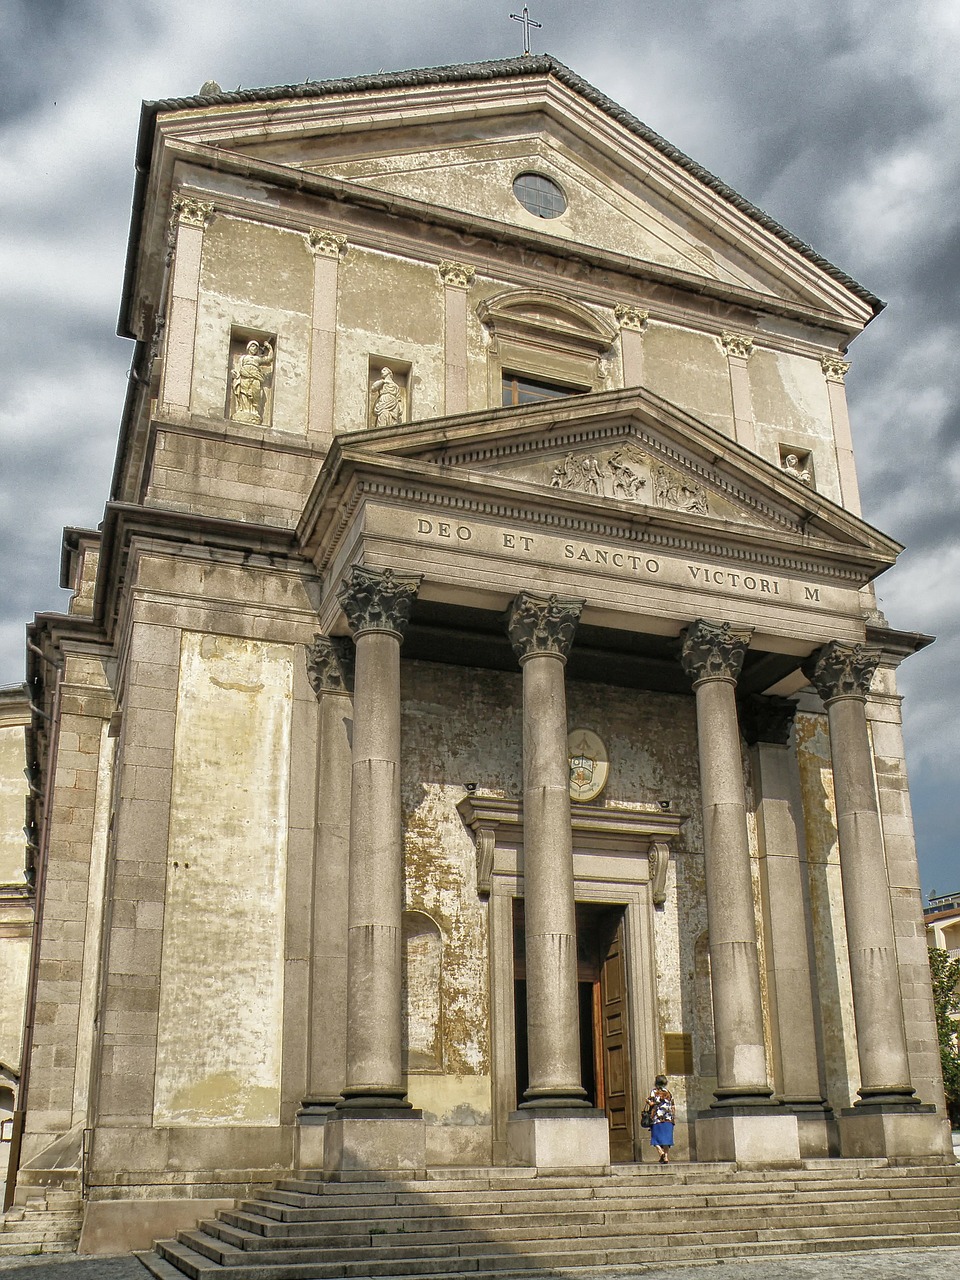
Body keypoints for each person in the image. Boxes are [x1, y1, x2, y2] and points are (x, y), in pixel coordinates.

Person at [645, 1073, 675, 1163]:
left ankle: (661, 1152)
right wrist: (673, 1117)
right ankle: (665, 1157)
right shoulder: (668, 1092)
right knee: (667, 1139)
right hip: (668, 1118)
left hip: (657, 1118)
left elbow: (652, 1104)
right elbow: (673, 1106)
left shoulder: (654, 1092)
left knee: (656, 1138)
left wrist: (647, 1101)